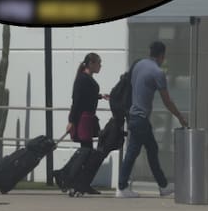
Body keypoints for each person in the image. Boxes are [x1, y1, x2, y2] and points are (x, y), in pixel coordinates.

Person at [116, 41, 188, 198]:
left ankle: (163, 185)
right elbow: (167, 101)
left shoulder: (138, 65)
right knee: (134, 151)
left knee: (151, 149)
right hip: (140, 118)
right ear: (162, 56)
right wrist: (180, 117)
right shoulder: (157, 72)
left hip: (134, 115)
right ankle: (122, 187)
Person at [64, 52, 109, 195]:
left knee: (87, 151)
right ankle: (76, 182)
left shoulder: (87, 79)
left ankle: (82, 183)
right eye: (98, 63)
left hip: (88, 117)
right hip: (82, 118)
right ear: (91, 63)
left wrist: (100, 96)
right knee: (86, 151)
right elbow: (77, 101)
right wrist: (71, 121)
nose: (100, 66)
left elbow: (88, 95)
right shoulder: (82, 79)